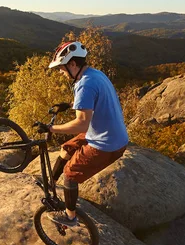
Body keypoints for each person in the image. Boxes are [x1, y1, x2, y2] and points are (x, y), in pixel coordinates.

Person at [35, 41, 128, 227]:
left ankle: (69, 217)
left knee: (70, 174)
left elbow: (81, 124)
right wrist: (69, 105)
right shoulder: (94, 74)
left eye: (61, 68)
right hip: (106, 133)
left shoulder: (85, 84)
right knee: (67, 148)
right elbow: (91, 102)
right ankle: (51, 182)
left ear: (72, 64)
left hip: (106, 144)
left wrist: (50, 128)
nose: (61, 72)